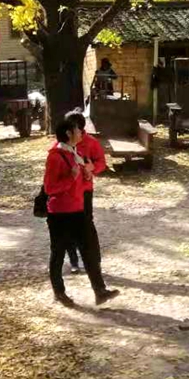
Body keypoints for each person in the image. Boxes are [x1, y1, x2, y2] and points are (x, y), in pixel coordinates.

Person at [43, 117, 120, 307]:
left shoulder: (74, 152)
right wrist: (72, 178)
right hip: (60, 213)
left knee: (89, 250)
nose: (81, 133)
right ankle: (59, 292)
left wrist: (86, 174)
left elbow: (94, 168)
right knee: (58, 253)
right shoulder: (55, 156)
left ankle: (100, 291)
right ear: (68, 133)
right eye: (77, 130)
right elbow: (50, 188)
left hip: (77, 209)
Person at [63, 110, 105, 275]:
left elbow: (101, 162)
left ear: (79, 128)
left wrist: (92, 167)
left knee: (87, 226)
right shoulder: (61, 143)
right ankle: (74, 261)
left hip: (85, 190)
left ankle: (94, 261)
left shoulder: (91, 143)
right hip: (66, 191)